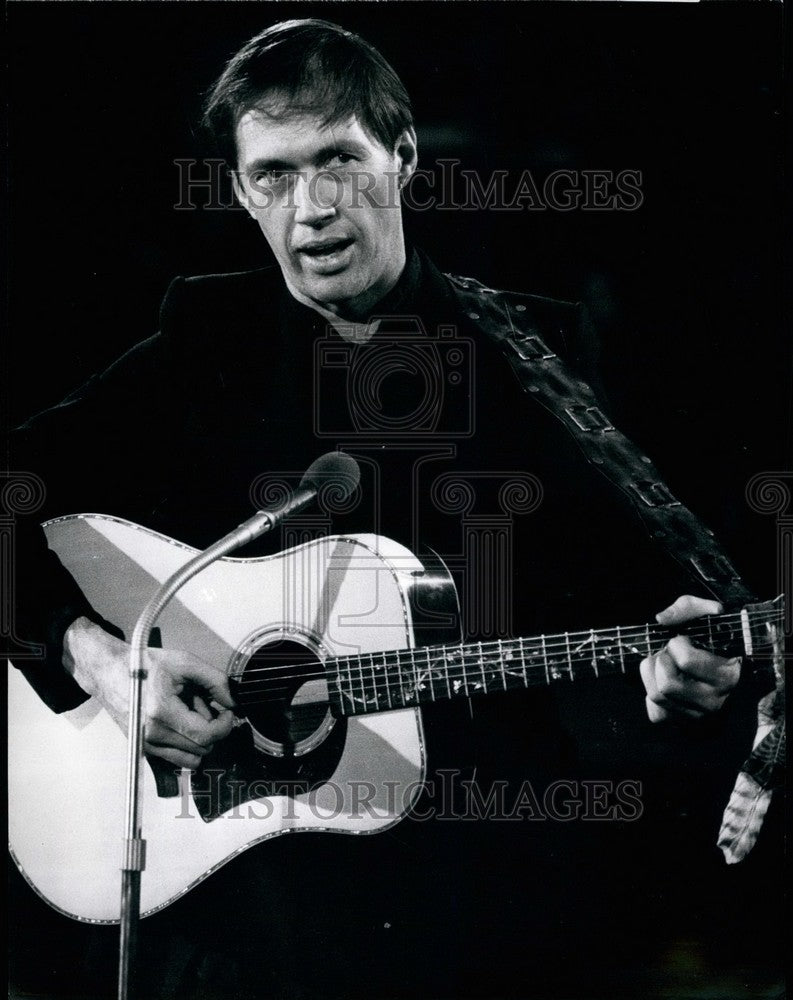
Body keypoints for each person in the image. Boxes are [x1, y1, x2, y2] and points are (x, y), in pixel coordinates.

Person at [9, 19, 752, 1000]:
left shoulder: (540, 361)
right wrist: (98, 657)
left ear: (401, 158)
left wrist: (677, 678)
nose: (311, 206)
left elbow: (645, 632)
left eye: (339, 161)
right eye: (272, 175)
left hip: (478, 923)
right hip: (246, 926)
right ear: (239, 191)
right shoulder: (208, 341)